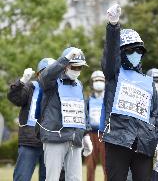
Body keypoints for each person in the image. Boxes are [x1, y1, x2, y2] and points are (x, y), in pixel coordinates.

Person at [101, 4, 158, 181]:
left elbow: (155, 114)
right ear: (121, 52)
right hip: (117, 139)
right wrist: (113, 26)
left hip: (144, 142)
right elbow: (110, 57)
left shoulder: (147, 81)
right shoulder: (114, 74)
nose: (135, 53)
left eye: (139, 50)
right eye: (130, 50)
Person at [38, 47, 93, 181]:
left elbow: (82, 110)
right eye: (74, 67)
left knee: (75, 178)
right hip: (54, 137)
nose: (77, 71)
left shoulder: (78, 84)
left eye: (80, 68)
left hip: (74, 138)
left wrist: (85, 135)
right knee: (52, 178)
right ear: (65, 66)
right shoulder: (51, 82)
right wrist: (65, 59)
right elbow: (45, 76)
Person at [7, 57, 55, 181]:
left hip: (50, 142)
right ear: (38, 74)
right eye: (46, 71)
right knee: (22, 177)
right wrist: (22, 81)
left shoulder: (59, 90)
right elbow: (14, 98)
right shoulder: (30, 87)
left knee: (48, 178)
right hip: (29, 141)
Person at [85, 70, 107, 181]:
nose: (98, 82)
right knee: (89, 164)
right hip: (91, 134)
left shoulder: (108, 100)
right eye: (96, 80)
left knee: (107, 165)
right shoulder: (88, 100)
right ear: (92, 83)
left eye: (101, 80)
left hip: (105, 135)